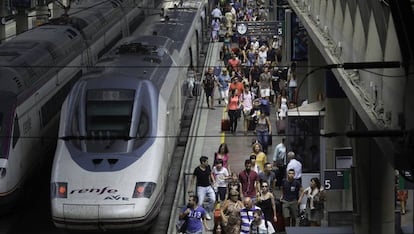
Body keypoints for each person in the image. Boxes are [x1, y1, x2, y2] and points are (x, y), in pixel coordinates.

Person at [189, 156, 216, 220]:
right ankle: (200, 215)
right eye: (206, 161)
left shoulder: (208, 167)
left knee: (213, 199)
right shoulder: (197, 169)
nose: (207, 162)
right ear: (203, 162)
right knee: (200, 202)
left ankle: (206, 211)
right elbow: (193, 178)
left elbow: (210, 174)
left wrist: (214, 181)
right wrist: (191, 187)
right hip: (201, 187)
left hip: (208, 186)